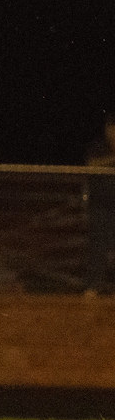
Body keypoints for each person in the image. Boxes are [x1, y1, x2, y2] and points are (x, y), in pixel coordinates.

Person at [83, 113, 115, 295]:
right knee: (97, 247)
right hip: (100, 206)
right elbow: (92, 165)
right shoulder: (98, 147)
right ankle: (92, 286)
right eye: (111, 129)